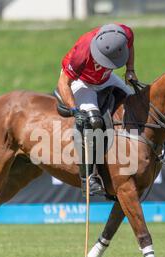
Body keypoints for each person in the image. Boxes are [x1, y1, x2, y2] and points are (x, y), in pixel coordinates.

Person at [57, 23, 138, 196]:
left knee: (135, 104)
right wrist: (75, 110)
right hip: (82, 81)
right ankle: (88, 177)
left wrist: (130, 70)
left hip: (106, 78)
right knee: (93, 122)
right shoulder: (82, 51)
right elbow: (63, 82)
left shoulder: (125, 34)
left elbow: (130, 46)